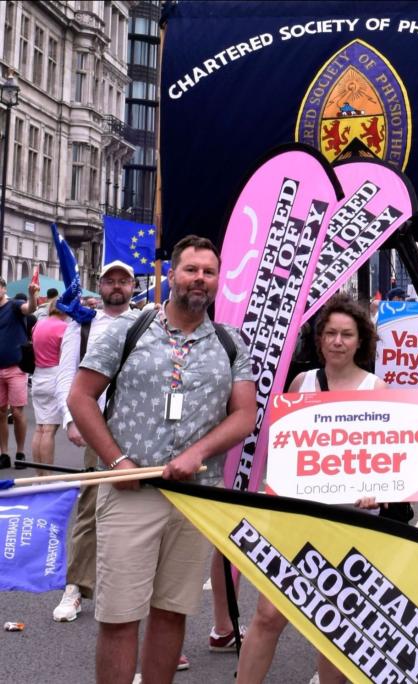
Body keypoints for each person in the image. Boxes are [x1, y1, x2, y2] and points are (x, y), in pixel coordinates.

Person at [67, 235, 256, 684]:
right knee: (118, 615)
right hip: (131, 492)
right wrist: (116, 461)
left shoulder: (230, 343)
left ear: (217, 281)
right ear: (171, 275)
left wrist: (198, 454)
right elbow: (81, 398)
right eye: (191, 270)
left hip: (194, 496)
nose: (200, 279)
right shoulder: (126, 330)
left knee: (171, 612)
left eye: (209, 272)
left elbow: (245, 413)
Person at [236, 294, 387, 684]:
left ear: (360, 340)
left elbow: (389, 462)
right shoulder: (302, 383)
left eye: (347, 334)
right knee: (268, 615)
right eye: (331, 333)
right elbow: (284, 447)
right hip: (296, 518)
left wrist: (378, 490)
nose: (338, 341)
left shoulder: (377, 388)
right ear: (319, 339)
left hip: (350, 521)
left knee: (334, 626)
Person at [51, 261, 139, 623]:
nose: (116, 287)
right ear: (98, 286)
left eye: (123, 281)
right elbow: (65, 375)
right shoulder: (81, 326)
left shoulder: (146, 323)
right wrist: (71, 421)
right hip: (98, 426)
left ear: (133, 287)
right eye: (109, 281)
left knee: (141, 510)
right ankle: (76, 587)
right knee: (90, 508)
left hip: (139, 426)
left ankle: (131, 592)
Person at [0, 277, 37, 470]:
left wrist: (32, 296)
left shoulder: (14, 305)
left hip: (15, 367)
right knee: (0, 412)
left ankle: (20, 452)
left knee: (17, 412)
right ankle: (4, 453)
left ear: (3, 288)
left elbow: (29, 309)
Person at [30, 298, 69, 474]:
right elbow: (65, 357)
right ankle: (47, 476)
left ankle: (39, 476)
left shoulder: (38, 325)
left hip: (38, 376)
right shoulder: (64, 328)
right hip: (54, 376)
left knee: (39, 428)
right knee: (49, 430)